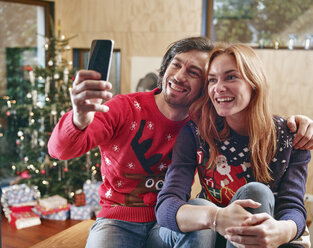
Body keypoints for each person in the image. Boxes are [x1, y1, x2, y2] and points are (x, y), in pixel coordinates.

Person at [47, 37, 313, 248]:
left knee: (238, 203)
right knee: (201, 212)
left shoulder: (202, 124)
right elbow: (60, 150)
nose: (179, 75)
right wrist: (80, 117)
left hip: (176, 225)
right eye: (176, 64)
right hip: (122, 220)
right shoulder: (130, 110)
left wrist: (300, 126)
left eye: (195, 72)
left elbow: (291, 202)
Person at [151, 42, 312, 248]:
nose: (218, 88)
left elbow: (293, 207)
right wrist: (215, 216)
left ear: (254, 83)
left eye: (231, 77)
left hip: (257, 234)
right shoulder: (196, 132)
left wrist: (283, 230)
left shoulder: (290, 136)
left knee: (257, 192)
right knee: (200, 206)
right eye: (212, 80)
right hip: (207, 235)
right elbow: (167, 206)